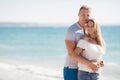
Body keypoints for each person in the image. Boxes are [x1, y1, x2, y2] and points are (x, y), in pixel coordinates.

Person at [63, 5, 99, 80]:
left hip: (83, 69)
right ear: (78, 14)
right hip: (72, 68)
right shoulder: (72, 30)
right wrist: (90, 64)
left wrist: (98, 62)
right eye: (82, 14)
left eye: (88, 15)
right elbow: (71, 54)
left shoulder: (88, 30)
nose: (85, 17)